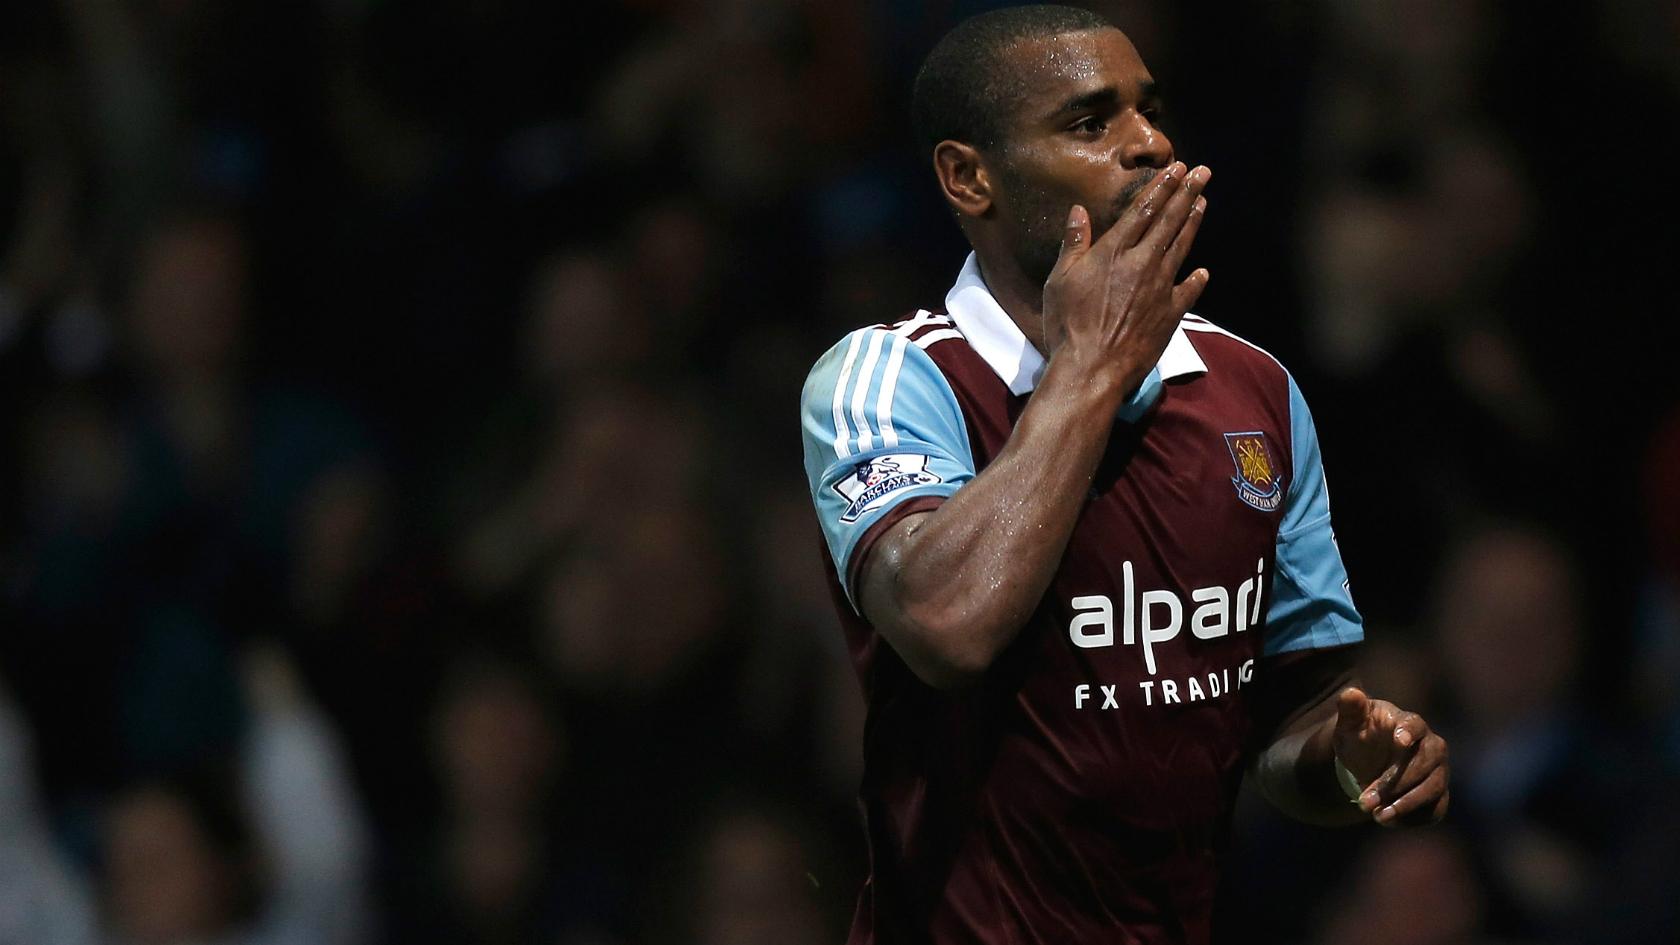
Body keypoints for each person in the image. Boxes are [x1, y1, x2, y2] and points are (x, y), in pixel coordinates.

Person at [796, 7, 1450, 943]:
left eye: (1149, 110)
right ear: (967, 176)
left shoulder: (1253, 390)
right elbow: (948, 623)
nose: (1150, 144)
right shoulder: (890, 377)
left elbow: (1280, 722)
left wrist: (1353, 760)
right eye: (1090, 122)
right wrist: (1092, 367)